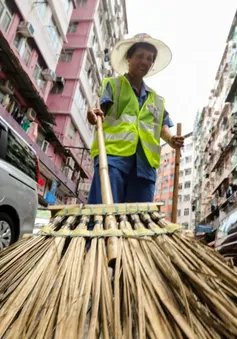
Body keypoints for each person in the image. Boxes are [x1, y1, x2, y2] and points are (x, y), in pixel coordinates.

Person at [87, 33, 184, 204]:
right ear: (129, 57)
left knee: (137, 219)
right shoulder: (113, 85)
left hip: (144, 167)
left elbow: (162, 127)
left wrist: (171, 139)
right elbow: (99, 113)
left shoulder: (157, 100)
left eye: (149, 58)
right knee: (104, 212)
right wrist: (93, 115)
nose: (145, 62)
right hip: (112, 160)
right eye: (140, 56)